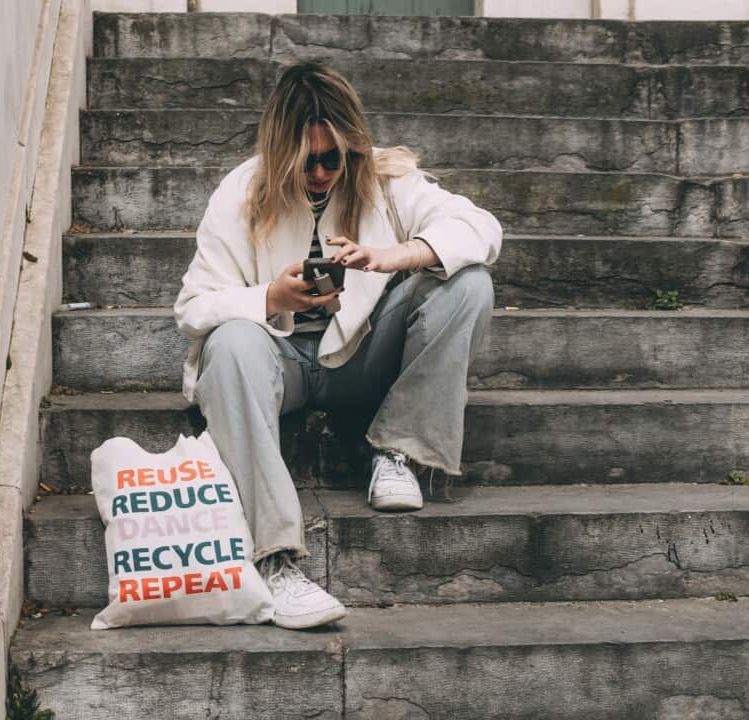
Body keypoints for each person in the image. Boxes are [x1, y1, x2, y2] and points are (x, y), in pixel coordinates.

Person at [173, 62, 502, 629]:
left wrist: (397, 256)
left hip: (359, 359)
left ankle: (398, 449)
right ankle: (273, 560)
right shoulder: (240, 192)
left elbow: (482, 228)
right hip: (277, 366)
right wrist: (270, 297)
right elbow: (193, 308)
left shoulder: (386, 182)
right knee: (228, 343)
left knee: (468, 283)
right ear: (282, 151)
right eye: (311, 159)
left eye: (339, 157)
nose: (325, 171)